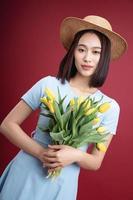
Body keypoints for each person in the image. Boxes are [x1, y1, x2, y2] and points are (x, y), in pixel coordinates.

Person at [0, 15, 127, 200]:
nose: (87, 58)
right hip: (25, 173)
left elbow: (95, 161)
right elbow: (7, 125)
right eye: (81, 49)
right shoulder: (48, 85)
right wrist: (42, 153)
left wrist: (75, 154)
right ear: (73, 52)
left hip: (62, 185)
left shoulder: (109, 107)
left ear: (104, 57)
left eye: (96, 52)